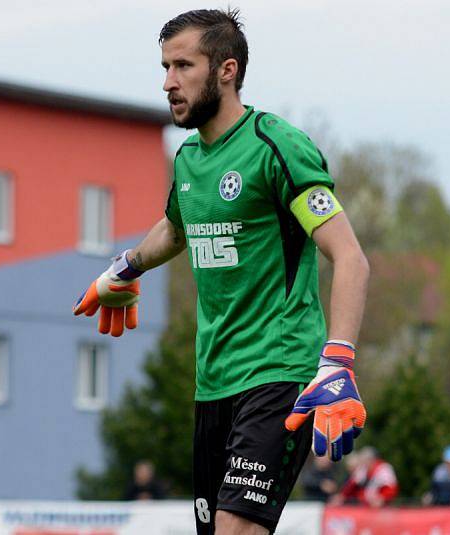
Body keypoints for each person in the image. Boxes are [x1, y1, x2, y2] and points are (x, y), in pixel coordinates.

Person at [72, 8, 369, 535]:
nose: (168, 83)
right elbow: (176, 229)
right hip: (213, 384)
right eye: (164, 67)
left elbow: (349, 257)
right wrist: (124, 268)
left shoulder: (276, 147)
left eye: (183, 66)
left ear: (226, 70)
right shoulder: (189, 158)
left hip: (280, 374)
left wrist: (338, 363)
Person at [331, 447, 398, 507]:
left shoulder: (384, 469)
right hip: (364, 505)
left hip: (381, 507)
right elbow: (351, 485)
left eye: (364, 460)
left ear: (371, 460)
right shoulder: (363, 469)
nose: (362, 463)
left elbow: (391, 489)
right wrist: (341, 496)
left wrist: (382, 498)